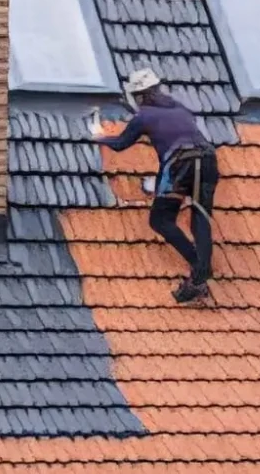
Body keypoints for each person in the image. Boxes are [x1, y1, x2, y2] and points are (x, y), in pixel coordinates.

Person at [91, 68, 218, 303]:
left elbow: (120, 144)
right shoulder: (180, 109)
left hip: (181, 164)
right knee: (200, 215)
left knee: (160, 220)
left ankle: (199, 267)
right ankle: (200, 274)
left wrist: (99, 137)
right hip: (208, 161)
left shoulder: (144, 115)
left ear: (138, 96)